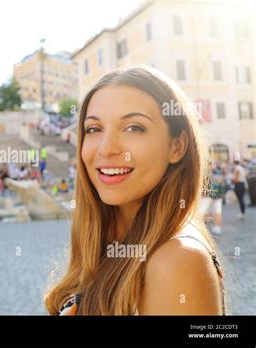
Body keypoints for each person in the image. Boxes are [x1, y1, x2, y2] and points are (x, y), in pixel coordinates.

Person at [45, 66, 225, 316]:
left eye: (134, 128)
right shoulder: (107, 241)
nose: (106, 149)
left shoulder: (177, 260)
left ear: (177, 146)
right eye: (94, 129)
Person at [199, 162, 226, 234]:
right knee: (217, 211)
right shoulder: (219, 171)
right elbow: (222, 181)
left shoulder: (203, 171)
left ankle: (200, 228)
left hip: (207, 194)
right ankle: (217, 227)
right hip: (217, 194)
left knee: (202, 211)